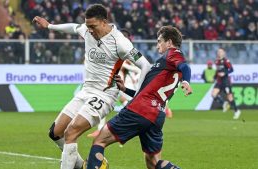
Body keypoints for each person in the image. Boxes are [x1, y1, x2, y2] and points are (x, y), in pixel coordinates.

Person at [33, 4, 151, 169]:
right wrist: (50, 26)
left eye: (93, 26)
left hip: (105, 95)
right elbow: (74, 27)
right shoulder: (87, 30)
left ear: (104, 22)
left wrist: (138, 95)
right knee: (56, 132)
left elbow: (146, 66)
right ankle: (82, 165)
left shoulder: (120, 42)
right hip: (86, 91)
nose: (89, 30)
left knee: (71, 132)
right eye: (87, 26)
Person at [86, 26, 192, 169]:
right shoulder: (166, 65)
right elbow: (146, 90)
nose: (157, 45)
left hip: (140, 109)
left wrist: (186, 81)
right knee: (153, 163)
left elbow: (185, 67)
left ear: (169, 42)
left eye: (159, 41)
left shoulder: (173, 53)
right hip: (157, 115)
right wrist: (125, 89)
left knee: (99, 141)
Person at [211, 48, 241, 119]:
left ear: (224, 53)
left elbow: (231, 69)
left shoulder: (226, 61)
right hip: (219, 81)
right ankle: (224, 103)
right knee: (213, 94)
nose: (219, 53)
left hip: (226, 81)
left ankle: (236, 111)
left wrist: (224, 73)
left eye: (221, 52)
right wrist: (214, 77)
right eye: (218, 52)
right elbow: (217, 71)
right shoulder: (216, 61)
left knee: (230, 97)